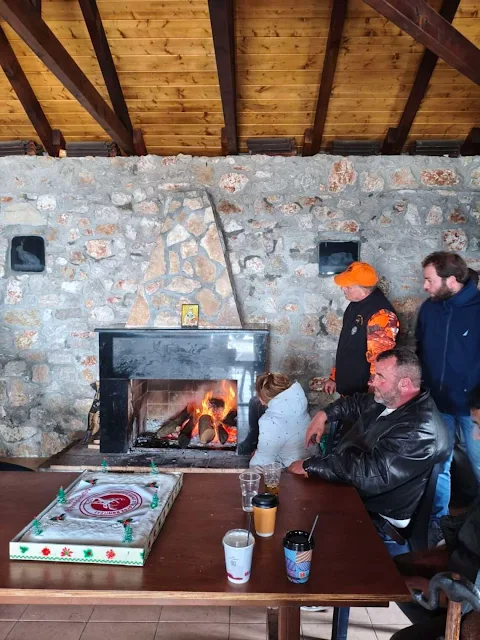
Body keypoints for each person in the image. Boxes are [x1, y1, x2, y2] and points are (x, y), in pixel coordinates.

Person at [289, 348, 450, 556]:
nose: (371, 382)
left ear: (404, 383)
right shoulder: (392, 399)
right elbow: (356, 403)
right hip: (356, 493)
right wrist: (324, 414)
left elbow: (370, 475)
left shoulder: (418, 430)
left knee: (305, 530)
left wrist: (312, 464)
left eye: (380, 376)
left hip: (376, 519)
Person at [416, 252, 480, 542]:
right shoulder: (429, 309)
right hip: (438, 404)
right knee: (437, 467)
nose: (425, 286)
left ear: (451, 280)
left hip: (473, 410)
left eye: (429, 280)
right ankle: (438, 528)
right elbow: (420, 349)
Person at [324, 261, 399, 397]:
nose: (343, 289)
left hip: (363, 394)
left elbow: (380, 360)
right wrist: (335, 377)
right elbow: (345, 346)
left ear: (363, 288)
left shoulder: (381, 315)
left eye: (348, 286)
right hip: (349, 389)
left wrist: (371, 396)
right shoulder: (354, 305)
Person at [248, 372, 314, 468]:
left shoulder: (270, 421)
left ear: (262, 398)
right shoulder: (298, 403)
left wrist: (253, 464)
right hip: (312, 461)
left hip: (292, 470)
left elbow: (262, 462)